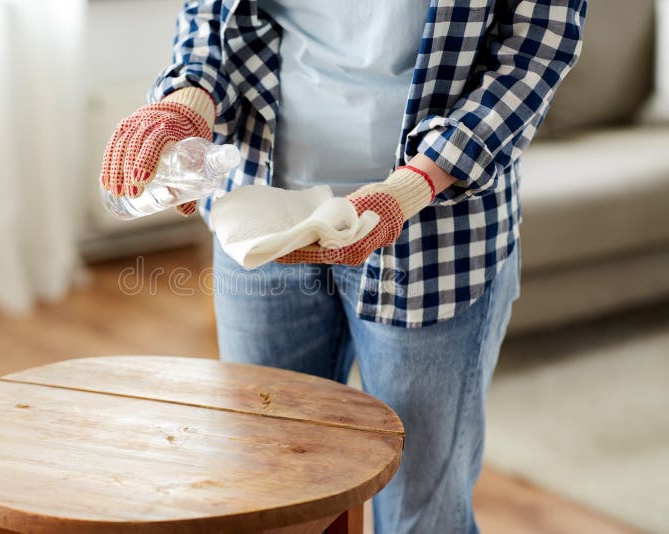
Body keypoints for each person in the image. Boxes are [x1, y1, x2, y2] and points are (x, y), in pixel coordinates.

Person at [100, 1, 586, 531]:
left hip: (434, 231)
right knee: (270, 490)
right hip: (261, 213)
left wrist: (412, 185)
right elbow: (208, 13)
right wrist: (189, 98)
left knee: (421, 512)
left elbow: (535, 52)